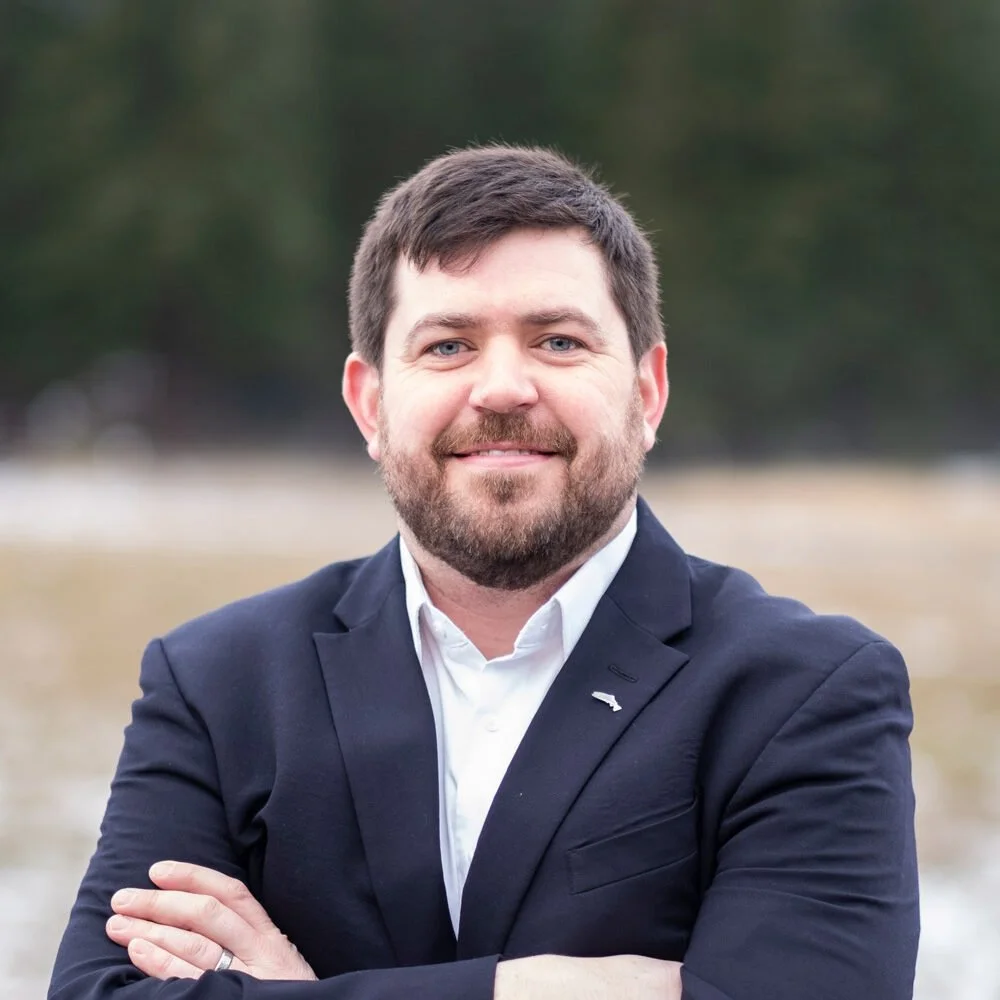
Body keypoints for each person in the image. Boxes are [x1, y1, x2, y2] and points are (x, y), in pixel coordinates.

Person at [49, 145, 919, 1000]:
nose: (503, 388)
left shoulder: (805, 692)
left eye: (558, 340)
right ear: (371, 403)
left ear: (647, 394)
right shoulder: (217, 683)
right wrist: (525, 989)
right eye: (448, 347)